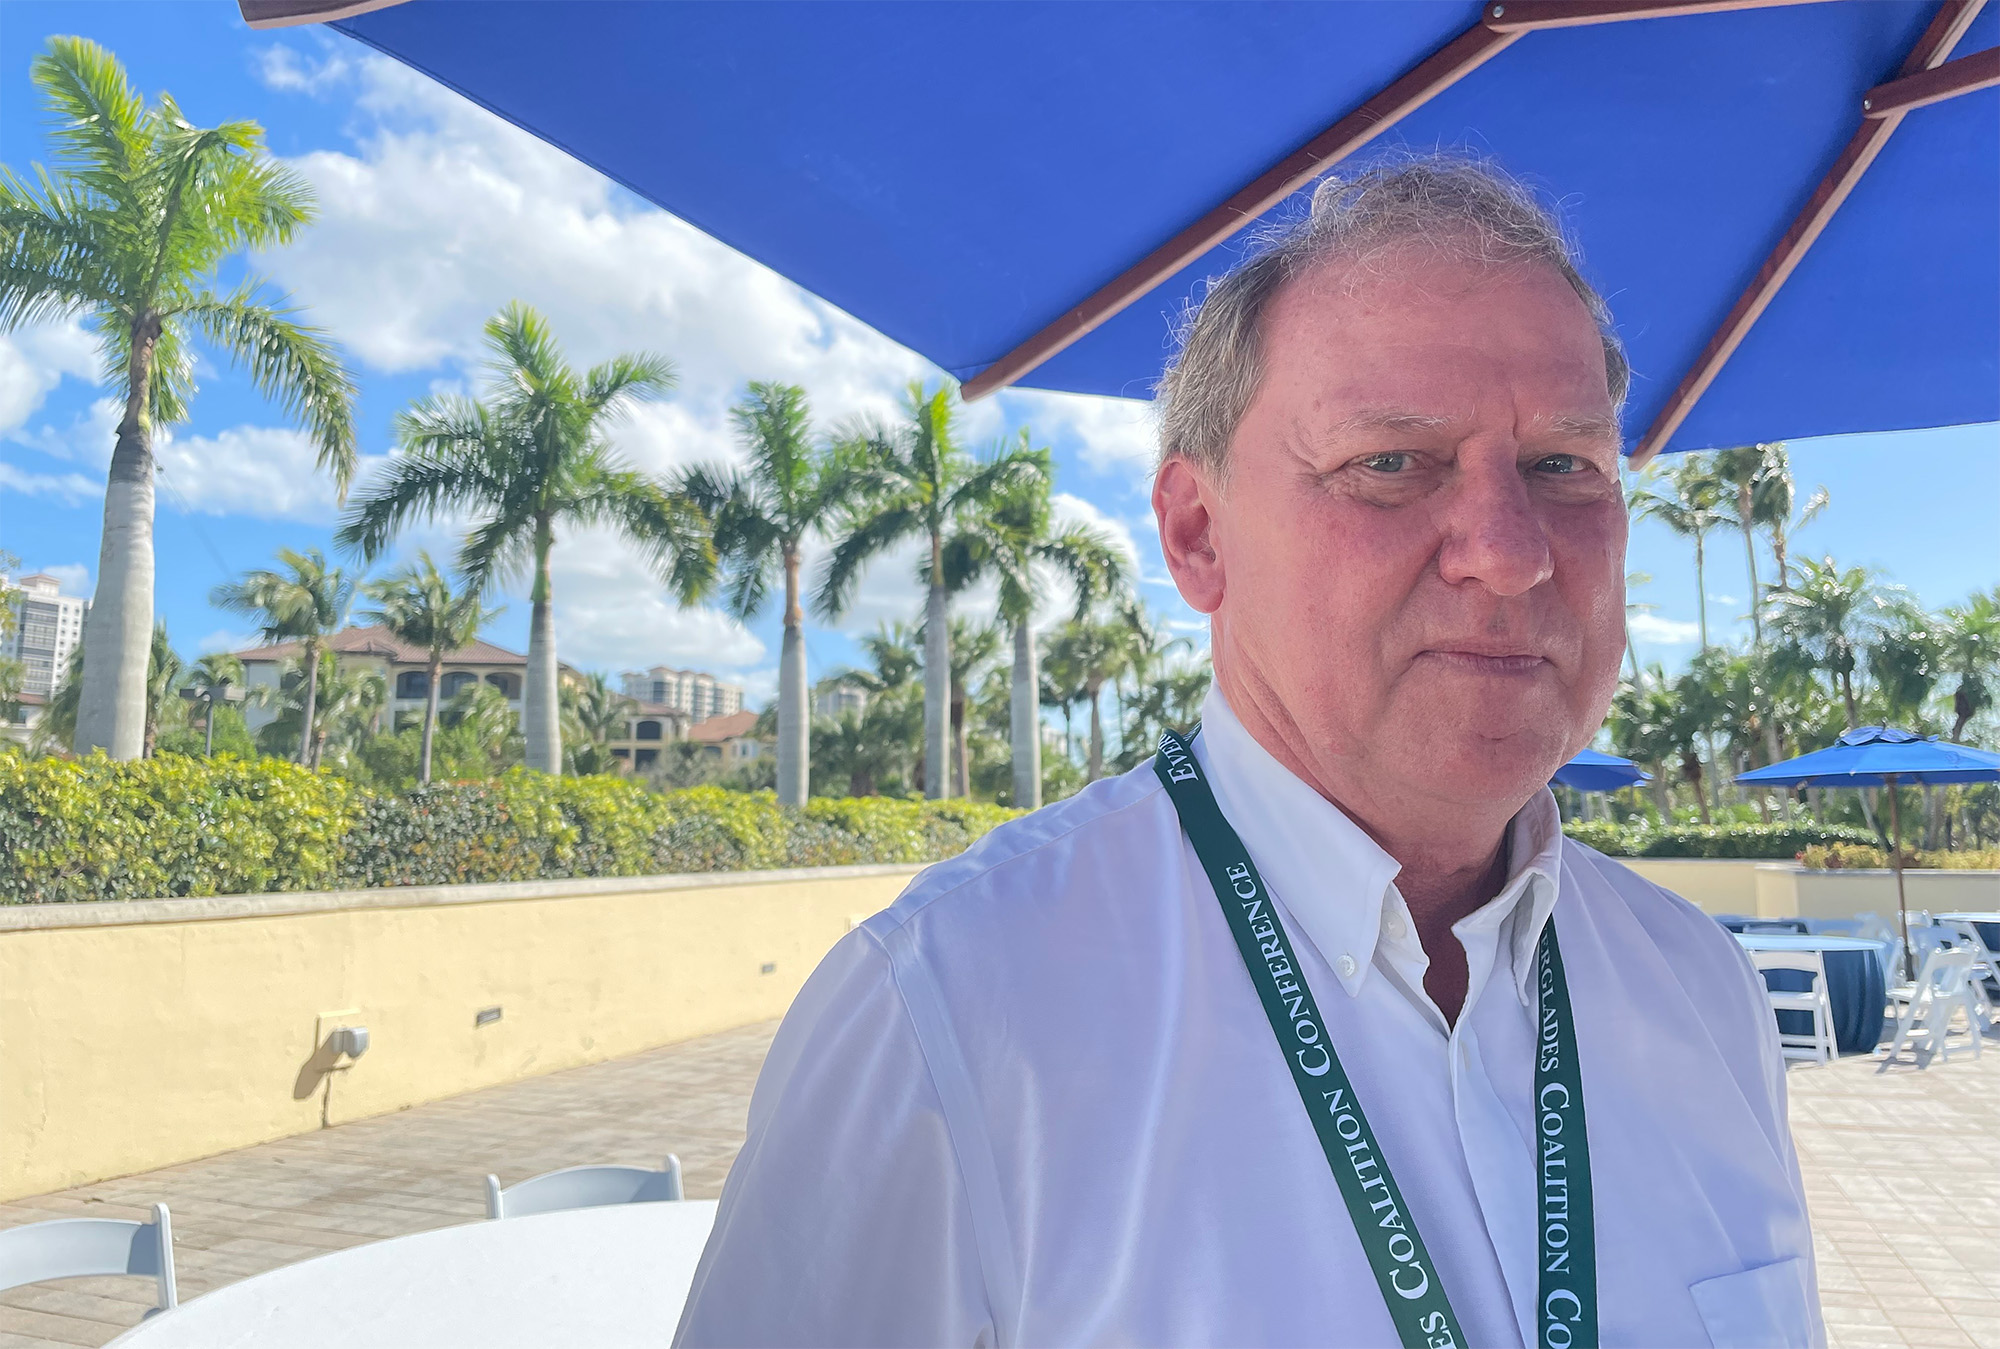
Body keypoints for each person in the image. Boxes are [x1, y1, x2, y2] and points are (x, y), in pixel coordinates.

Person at [676, 156, 1821, 1349]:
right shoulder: (947, 1014)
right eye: (1389, 462)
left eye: (1562, 466)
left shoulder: (1703, 993)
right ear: (1196, 535)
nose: (1508, 549)